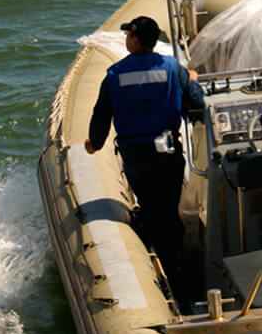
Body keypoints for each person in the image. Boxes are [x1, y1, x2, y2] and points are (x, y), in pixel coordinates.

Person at [84, 16, 204, 291]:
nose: (126, 39)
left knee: (149, 206)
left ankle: (156, 270)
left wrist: (95, 143)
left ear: (136, 39)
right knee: (169, 209)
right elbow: (196, 103)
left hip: (136, 155)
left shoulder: (115, 74)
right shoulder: (173, 68)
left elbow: (102, 113)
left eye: (128, 35)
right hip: (168, 151)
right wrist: (192, 80)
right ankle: (179, 269)